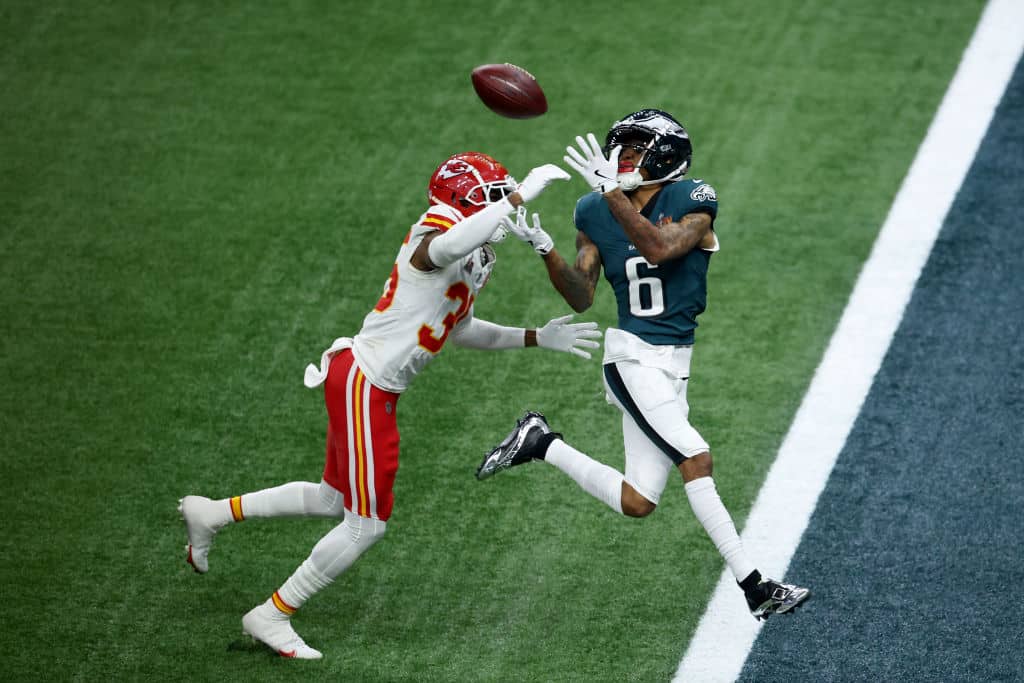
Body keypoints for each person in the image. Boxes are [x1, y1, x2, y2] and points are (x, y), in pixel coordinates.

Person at [179, 152, 600, 659]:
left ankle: (213, 514)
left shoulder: (479, 255)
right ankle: (273, 613)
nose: (504, 209)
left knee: (332, 499)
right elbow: (444, 247)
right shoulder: (439, 230)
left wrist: (535, 337)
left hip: (365, 381)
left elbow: (458, 328)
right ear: (466, 203)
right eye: (492, 197)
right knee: (366, 524)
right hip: (366, 382)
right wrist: (518, 195)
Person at [475, 110, 810, 620]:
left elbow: (659, 249)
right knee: (695, 458)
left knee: (638, 501)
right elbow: (582, 294)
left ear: (665, 153)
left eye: (633, 148)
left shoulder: (695, 199)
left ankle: (540, 442)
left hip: (674, 364)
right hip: (633, 358)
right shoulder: (593, 210)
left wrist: (614, 195)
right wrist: (545, 250)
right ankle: (757, 588)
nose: (622, 157)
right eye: (620, 148)